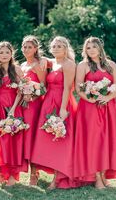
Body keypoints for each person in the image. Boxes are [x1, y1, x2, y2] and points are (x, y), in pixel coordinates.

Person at [73, 36, 116, 189]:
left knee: (107, 140)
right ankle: (97, 177)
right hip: (89, 108)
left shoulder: (111, 65)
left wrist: (108, 96)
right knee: (94, 141)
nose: (91, 50)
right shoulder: (83, 65)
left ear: (100, 48)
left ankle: (104, 175)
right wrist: (89, 99)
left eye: (94, 47)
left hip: (108, 107)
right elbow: (78, 87)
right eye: (88, 47)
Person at [31, 36, 77, 189]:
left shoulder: (69, 64)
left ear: (65, 48)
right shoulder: (52, 62)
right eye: (54, 46)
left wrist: (63, 109)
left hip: (62, 102)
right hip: (48, 102)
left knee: (61, 139)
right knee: (48, 138)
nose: (56, 48)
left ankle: (58, 177)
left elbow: (68, 88)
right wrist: (44, 59)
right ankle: (46, 171)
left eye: (60, 46)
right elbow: (42, 60)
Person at [0, 41, 26, 186]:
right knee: (1, 141)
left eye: (7, 52)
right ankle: (2, 172)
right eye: (1, 52)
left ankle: (13, 174)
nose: (4, 55)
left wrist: (12, 109)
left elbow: (21, 90)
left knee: (13, 140)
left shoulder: (16, 69)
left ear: (11, 53)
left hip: (13, 106)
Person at [20, 35, 47, 186]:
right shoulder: (22, 65)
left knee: (32, 137)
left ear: (36, 49)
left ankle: (34, 173)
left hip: (34, 105)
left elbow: (43, 87)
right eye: (24, 46)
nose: (26, 49)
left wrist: (33, 98)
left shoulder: (38, 65)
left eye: (30, 47)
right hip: (22, 105)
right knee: (25, 137)